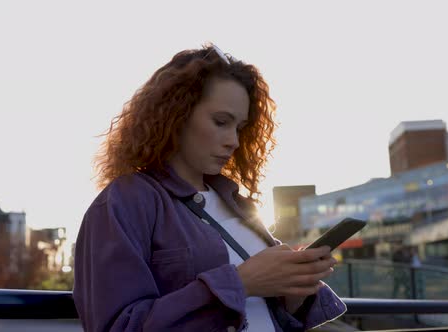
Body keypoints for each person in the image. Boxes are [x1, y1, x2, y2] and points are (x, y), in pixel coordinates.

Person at [73, 43, 347, 332]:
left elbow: (267, 315)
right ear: (175, 115)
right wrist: (241, 283)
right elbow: (119, 326)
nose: (235, 141)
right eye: (221, 122)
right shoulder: (127, 200)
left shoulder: (237, 204)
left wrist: (292, 291)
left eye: (240, 127)